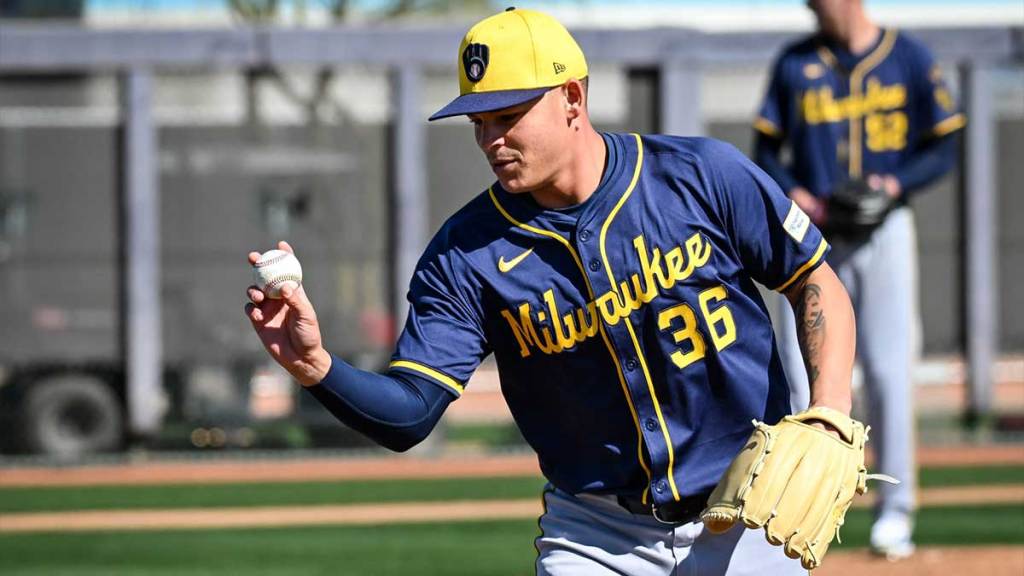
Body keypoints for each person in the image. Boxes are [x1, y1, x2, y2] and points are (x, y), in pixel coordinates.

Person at [247, 8, 859, 575]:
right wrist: (316, 368)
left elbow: (814, 279)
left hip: (751, 509)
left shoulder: (700, 177)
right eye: (479, 122)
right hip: (597, 534)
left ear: (572, 96)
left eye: (509, 116)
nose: (491, 140)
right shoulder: (464, 255)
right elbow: (410, 413)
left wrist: (829, 412)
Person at [753, 0, 965, 561]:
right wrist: (793, 191)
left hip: (883, 230)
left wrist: (895, 185)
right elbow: (766, 151)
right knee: (800, 377)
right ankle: (801, 510)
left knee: (891, 372)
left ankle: (894, 515)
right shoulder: (796, 63)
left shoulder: (910, 58)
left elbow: (945, 143)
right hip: (813, 233)